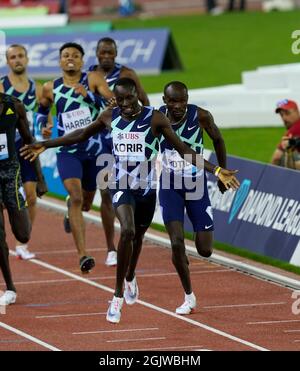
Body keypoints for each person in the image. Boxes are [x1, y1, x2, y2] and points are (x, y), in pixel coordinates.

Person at [20, 77, 240, 324]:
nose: (125, 103)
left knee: (139, 237)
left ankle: (130, 274)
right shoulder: (109, 116)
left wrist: (216, 170)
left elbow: (184, 150)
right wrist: (46, 145)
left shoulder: (155, 118)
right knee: (126, 230)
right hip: (121, 184)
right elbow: (81, 134)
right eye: (121, 98)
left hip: (147, 189)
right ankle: (116, 297)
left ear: (138, 95)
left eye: (129, 98)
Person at [36, 42, 114, 273]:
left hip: (95, 149)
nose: (70, 58)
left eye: (75, 55)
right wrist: (45, 126)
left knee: (87, 203)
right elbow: (41, 111)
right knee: (77, 196)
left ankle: (73, 206)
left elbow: (113, 105)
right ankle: (83, 255)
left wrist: (89, 95)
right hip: (68, 151)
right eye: (66, 55)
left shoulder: (94, 79)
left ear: (82, 60)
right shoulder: (50, 88)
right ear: (60, 61)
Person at [159, 81, 229, 314]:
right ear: (164, 100)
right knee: (177, 242)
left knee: (205, 250)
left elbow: (218, 140)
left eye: (182, 100)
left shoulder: (201, 116)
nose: (178, 106)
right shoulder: (157, 119)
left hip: (196, 186)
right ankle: (189, 295)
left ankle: (193, 239)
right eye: (173, 101)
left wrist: (222, 171)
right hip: (170, 186)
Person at [88, 37, 150, 267]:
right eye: (102, 52)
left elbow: (145, 101)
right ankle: (110, 248)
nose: (106, 56)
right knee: (105, 193)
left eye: (110, 53)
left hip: (126, 143)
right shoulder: (89, 76)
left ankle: (129, 234)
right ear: (96, 53)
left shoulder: (127, 74)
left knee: (132, 193)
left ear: (116, 53)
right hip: (101, 143)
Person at [0, 44, 48, 260]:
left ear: (27, 59)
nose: (17, 60)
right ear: (7, 62)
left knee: (31, 195)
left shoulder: (36, 89)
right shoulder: (1, 86)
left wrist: (46, 126)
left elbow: (42, 117)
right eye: (13, 57)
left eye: (20, 56)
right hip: (5, 148)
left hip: (26, 146)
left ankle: (22, 243)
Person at [0, 92, 32, 306]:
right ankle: (10, 286)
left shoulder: (15, 106)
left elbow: (29, 142)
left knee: (23, 233)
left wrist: (38, 178)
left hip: (11, 173)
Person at [271, 99, 300, 170]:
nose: (284, 118)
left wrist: (270, 174)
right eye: (281, 115)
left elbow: (276, 157)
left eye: (287, 113)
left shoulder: (295, 128)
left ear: (297, 111)